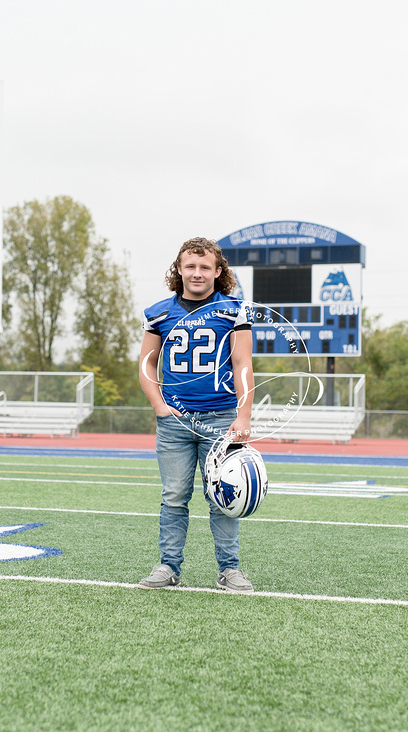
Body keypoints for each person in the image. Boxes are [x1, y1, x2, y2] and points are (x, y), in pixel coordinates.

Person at [137, 236, 256, 593]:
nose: (197, 273)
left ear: (218, 271)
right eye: (190, 266)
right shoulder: (159, 312)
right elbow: (146, 365)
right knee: (173, 495)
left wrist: (244, 415)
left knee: (221, 497)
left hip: (219, 418)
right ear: (179, 269)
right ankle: (168, 566)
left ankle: (229, 569)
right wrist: (159, 406)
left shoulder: (233, 309)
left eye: (205, 267)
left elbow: (243, 365)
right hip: (174, 422)